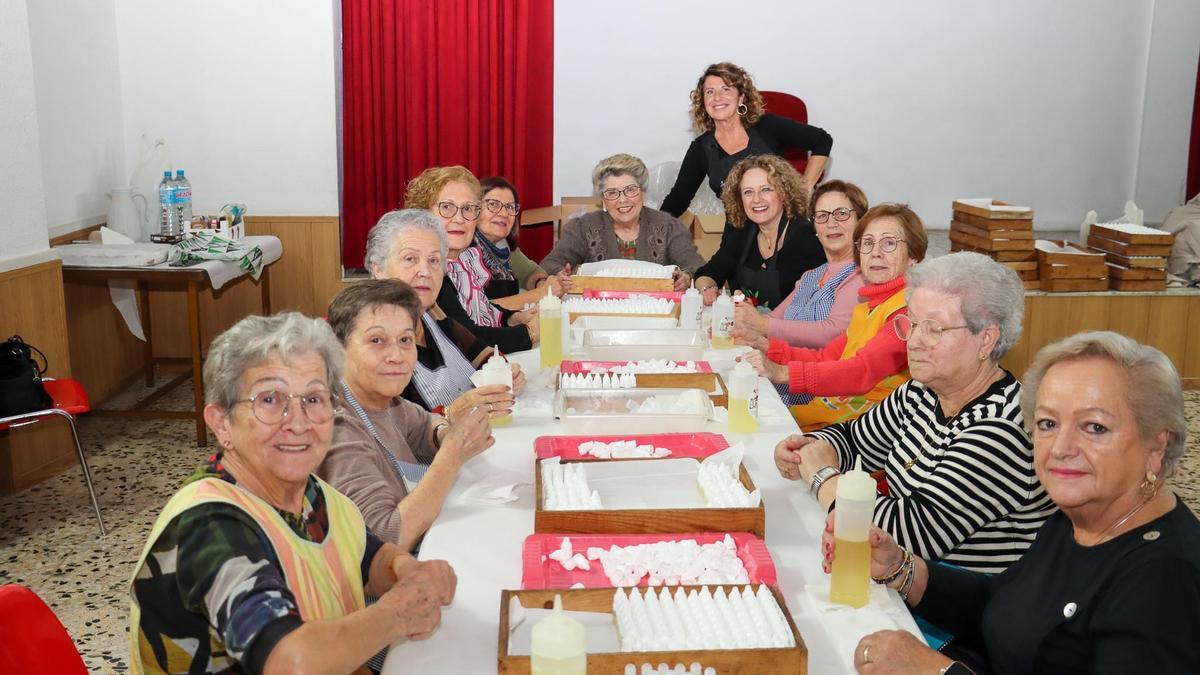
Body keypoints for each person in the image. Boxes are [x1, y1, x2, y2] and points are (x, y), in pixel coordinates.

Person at [840, 331, 1199, 674]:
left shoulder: (1166, 577)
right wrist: (902, 569)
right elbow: (1007, 605)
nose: (1060, 448)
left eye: (1094, 427)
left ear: (1157, 446)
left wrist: (936, 671)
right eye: (1047, 423)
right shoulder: (1080, 518)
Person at [129, 312, 457, 674]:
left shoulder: (310, 493)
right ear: (221, 422)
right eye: (269, 399)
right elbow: (288, 662)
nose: (298, 422)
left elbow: (369, 559)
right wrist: (396, 615)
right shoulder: (209, 526)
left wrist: (408, 570)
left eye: (314, 399)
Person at [775, 252, 1056, 575]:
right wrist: (807, 447)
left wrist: (821, 476)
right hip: (903, 584)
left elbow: (909, 533)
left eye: (934, 329)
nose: (914, 340)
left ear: (986, 340)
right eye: (912, 323)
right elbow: (853, 440)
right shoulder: (922, 392)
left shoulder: (1002, 428)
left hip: (958, 611)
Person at [320, 279, 499, 552]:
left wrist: (444, 433)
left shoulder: (384, 401)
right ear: (338, 349)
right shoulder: (337, 427)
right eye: (377, 340)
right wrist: (450, 457)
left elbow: (425, 425)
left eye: (405, 340)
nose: (396, 355)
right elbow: (387, 539)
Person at [743, 203, 926, 430]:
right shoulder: (867, 307)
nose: (876, 252)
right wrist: (767, 347)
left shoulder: (907, 313)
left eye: (889, 243)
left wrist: (782, 372)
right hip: (836, 411)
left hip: (867, 430)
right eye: (867, 243)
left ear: (913, 255)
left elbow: (862, 371)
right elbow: (826, 357)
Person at [364, 208, 526, 413]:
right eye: (410, 259)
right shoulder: (371, 342)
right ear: (378, 268)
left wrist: (503, 374)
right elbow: (393, 429)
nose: (425, 272)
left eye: (433, 261)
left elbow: (484, 354)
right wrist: (455, 412)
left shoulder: (432, 314)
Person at [733, 179, 868, 406]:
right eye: (822, 216)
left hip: (817, 401)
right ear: (814, 227)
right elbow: (774, 319)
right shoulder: (811, 276)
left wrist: (762, 326)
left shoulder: (861, 276)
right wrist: (743, 325)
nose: (831, 223)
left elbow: (833, 333)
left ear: (861, 222)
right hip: (778, 389)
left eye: (842, 214)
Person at [659, 62, 832, 218]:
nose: (717, 97)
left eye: (726, 89)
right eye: (709, 92)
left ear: (741, 97)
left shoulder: (767, 126)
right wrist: (648, 230)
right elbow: (678, 198)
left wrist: (805, 188)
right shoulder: (701, 148)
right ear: (703, 102)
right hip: (738, 234)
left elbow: (822, 140)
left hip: (784, 225)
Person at [403, 166, 535, 353]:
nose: (459, 218)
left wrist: (513, 318)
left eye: (467, 209)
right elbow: (468, 337)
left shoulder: (465, 259)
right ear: (423, 215)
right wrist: (531, 333)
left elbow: (479, 308)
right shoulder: (429, 272)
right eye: (447, 207)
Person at [542, 153, 706, 292]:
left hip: (655, 313)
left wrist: (686, 277)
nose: (622, 200)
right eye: (612, 192)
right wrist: (560, 274)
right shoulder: (582, 227)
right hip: (599, 312)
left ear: (643, 191)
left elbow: (696, 266)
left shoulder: (669, 226)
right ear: (603, 199)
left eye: (630, 190)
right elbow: (549, 265)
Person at [692, 155, 825, 310]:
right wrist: (707, 290)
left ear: (785, 193)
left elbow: (816, 306)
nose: (756, 199)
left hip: (792, 331)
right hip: (747, 331)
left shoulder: (807, 238)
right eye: (748, 192)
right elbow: (707, 274)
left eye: (766, 189)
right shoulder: (740, 233)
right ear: (739, 199)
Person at [474, 176, 563, 308]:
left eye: (510, 207)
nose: (504, 213)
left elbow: (532, 273)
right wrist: (542, 293)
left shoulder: (503, 247)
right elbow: (479, 309)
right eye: (493, 204)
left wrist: (541, 283)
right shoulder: (464, 250)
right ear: (474, 208)